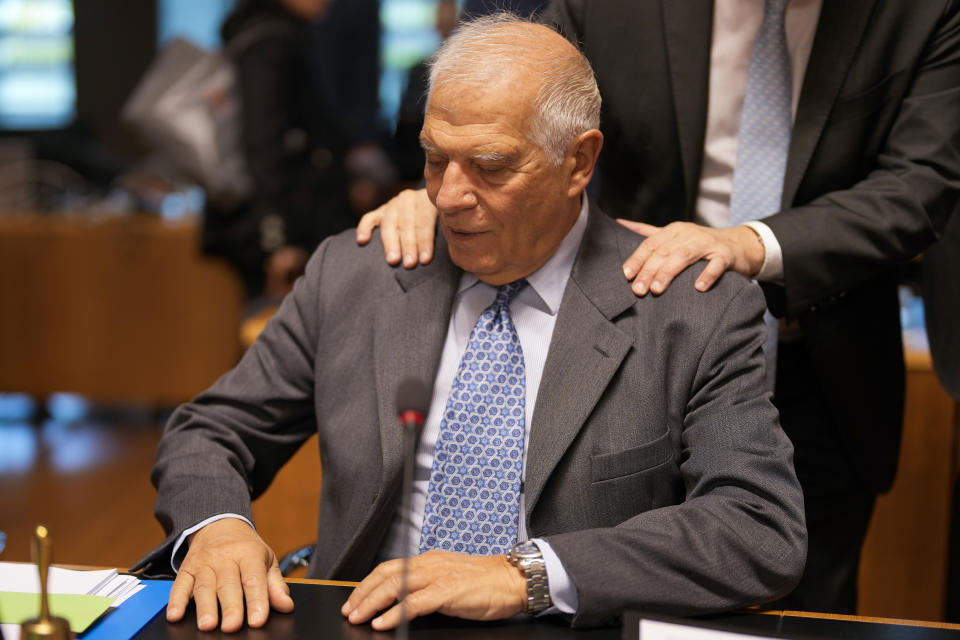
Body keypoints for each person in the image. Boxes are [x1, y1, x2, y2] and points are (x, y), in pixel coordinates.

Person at [135, 15, 806, 633]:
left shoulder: (689, 308)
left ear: (578, 161)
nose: (450, 197)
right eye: (434, 159)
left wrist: (528, 576)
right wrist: (218, 528)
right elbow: (212, 430)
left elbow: (756, 529)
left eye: (489, 167)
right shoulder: (359, 274)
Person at [358, 1, 960, 613]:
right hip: (627, 340)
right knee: (608, 575)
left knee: (799, 601)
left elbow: (922, 181)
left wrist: (751, 244)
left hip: (821, 357)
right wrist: (444, 184)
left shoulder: (920, 10)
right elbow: (510, 87)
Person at [203, 0, 355, 299]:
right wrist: (276, 239)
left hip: (274, 219)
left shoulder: (264, 35)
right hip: (282, 225)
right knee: (277, 332)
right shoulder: (268, 43)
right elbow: (262, 143)